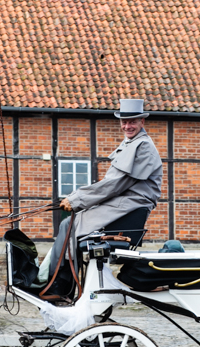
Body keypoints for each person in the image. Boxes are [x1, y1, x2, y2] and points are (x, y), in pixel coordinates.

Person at [40, 99, 162, 291]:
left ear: (142, 122)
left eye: (132, 122)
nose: (127, 126)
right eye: (124, 122)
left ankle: (59, 283)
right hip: (121, 202)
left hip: (129, 205)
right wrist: (76, 199)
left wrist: (76, 200)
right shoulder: (131, 143)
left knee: (69, 224)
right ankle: (59, 279)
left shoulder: (143, 146)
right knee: (70, 223)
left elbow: (114, 185)